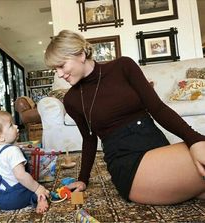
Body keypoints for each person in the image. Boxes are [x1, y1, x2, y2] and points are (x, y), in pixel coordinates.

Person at [44, 30, 205, 205]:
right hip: (129, 164)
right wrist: (83, 179)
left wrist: (195, 140)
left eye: (62, 66)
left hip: (159, 149)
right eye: (55, 69)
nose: (59, 74)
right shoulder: (72, 99)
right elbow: (89, 139)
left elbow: (158, 108)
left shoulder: (123, 66)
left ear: (81, 54)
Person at [0, 110, 50, 214]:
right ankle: (40, 199)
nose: (16, 126)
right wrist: (37, 188)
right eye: (11, 125)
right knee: (40, 190)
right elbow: (21, 176)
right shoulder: (13, 151)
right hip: (14, 198)